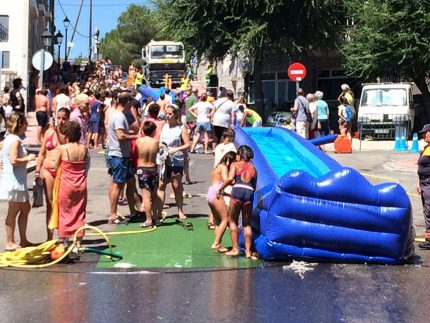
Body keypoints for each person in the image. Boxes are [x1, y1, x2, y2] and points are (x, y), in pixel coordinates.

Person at [0, 113, 36, 251]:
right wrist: (29, 158)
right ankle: (10, 242)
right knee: (13, 211)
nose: (27, 125)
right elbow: (13, 160)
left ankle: (23, 239)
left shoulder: (9, 139)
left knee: (25, 208)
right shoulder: (14, 140)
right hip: (14, 181)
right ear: (20, 124)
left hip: (17, 180)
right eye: (25, 122)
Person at [216, 145, 258, 259]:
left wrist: (220, 189)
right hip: (249, 192)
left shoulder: (235, 165)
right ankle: (248, 252)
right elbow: (254, 186)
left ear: (239, 156)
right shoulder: (254, 169)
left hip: (238, 190)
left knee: (232, 221)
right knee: (246, 223)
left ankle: (235, 249)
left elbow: (230, 179)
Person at [35, 108, 71, 240]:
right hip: (48, 170)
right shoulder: (49, 132)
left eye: (64, 118)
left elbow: (64, 146)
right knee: (50, 203)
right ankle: (49, 237)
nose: (61, 121)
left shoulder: (68, 133)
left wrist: (58, 131)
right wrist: (38, 170)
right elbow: (42, 153)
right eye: (59, 118)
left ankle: (63, 237)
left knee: (62, 203)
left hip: (62, 171)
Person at [53, 121, 89, 249]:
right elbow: (86, 165)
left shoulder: (63, 148)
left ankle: (64, 240)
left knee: (65, 212)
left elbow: (55, 166)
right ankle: (78, 242)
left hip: (66, 184)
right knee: (79, 212)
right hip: (81, 183)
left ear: (67, 134)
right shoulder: (83, 148)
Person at [107, 92, 140, 224]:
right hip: (118, 154)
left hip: (120, 154)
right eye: (131, 102)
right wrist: (135, 137)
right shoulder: (119, 116)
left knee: (126, 182)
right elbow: (121, 136)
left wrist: (131, 132)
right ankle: (113, 214)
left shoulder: (116, 115)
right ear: (127, 103)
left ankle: (133, 210)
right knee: (117, 184)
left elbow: (121, 132)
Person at [156, 105, 190, 220]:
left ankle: (180, 210)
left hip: (176, 160)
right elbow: (157, 140)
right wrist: (160, 145)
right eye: (166, 113)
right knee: (161, 184)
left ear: (175, 114)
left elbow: (187, 144)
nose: (167, 116)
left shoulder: (181, 128)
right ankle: (159, 212)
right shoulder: (163, 126)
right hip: (163, 160)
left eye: (170, 114)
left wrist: (176, 149)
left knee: (176, 185)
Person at [207, 151, 236, 252]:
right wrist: (234, 180)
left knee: (218, 221)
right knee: (225, 219)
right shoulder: (223, 167)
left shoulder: (218, 166)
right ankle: (216, 243)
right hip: (216, 194)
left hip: (211, 193)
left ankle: (218, 244)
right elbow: (226, 179)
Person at [135, 121, 160, 228]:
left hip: (142, 168)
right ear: (153, 131)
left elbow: (134, 153)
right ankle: (155, 217)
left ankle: (148, 219)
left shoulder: (139, 141)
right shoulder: (156, 142)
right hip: (153, 168)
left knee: (146, 196)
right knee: (154, 194)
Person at [417, 124, 430, 249]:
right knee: (427, 210)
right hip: (424, 183)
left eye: (424, 132)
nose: (422, 135)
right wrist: (419, 183)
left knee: (429, 210)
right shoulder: (426, 148)